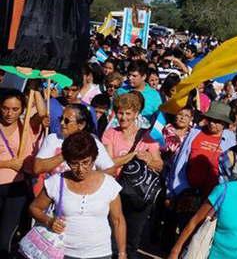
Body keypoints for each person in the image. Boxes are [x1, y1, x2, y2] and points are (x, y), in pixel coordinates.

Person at [29, 132, 126, 259]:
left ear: (94, 158)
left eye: (86, 162)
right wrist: (49, 221)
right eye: (74, 163)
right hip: (63, 253)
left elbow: (118, 220)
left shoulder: (109, 184)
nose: (80, 169)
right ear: (67, 162)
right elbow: (34, 208)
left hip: (101, 253)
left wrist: (122, 253)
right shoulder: (56, 181)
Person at [101, 92, 163, 259]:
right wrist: (132, 155)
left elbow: (159, 165)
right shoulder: (110, 134)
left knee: (133, 240)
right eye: (120, 112)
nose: (123, 117)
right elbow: (108, 164)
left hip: (139, 194)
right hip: (115, 191)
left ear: (136, 114)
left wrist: (149, 159)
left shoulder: (147, 136)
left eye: (128, 113)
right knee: (113, 237)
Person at [0, 90, 37, 257]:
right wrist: (8, 163)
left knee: (6, 237)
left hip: (17, 188)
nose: (9, 113)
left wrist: (35, 90)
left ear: (23, 109)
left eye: (15, 109)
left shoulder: (26, 127)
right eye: (5, 108)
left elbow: (44, 114)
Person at [34, 103, 114, 175]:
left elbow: (109, 170)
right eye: (61, 119)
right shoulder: (53, 138)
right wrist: (67, 153)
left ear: (81, 125)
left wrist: (89, 180)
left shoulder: (92, 142)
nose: (62, 123)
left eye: (66, 121)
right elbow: (37, 168)